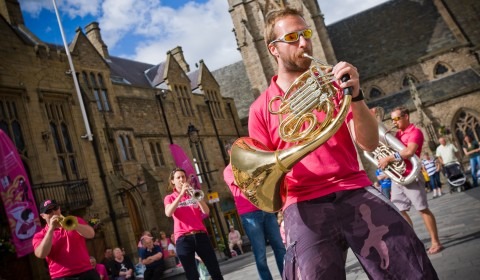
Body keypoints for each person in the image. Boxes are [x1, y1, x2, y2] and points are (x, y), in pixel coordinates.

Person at [248, 7, 438, 279]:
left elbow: (369, 142)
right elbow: (262, 174)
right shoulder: (260, 108)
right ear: (273, 49)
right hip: (302, 202)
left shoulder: (333, 85)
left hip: (354, 188)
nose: (303, 43)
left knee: (410, 263)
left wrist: (357, 96)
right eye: (292, 38)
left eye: (306, 34)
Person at [378, 106, 443, 255]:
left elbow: (409, 151)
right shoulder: (397, 134)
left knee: (422, 209)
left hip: (412, 175)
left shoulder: (415, 132)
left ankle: (435, 241)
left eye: (396, 119)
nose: (394, 122)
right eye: (392, 119)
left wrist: (388, 158)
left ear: (406, 116)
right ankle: (412, 240)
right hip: (398, 177)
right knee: (399, 211)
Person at [224, 145, 286, 280]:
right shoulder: (228, 171)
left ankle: (287, 276)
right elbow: (243, 182)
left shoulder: (249, 165)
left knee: (279, 247)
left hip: (265, 209)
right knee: (260, 253)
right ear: (230, 152)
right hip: (249, 214)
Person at [164, 168, 223, 280]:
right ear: (172, 181)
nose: (181, 179)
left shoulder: (193, 193)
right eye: (178, 177)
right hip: (183, 238)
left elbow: (206, 211)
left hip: (200, 235)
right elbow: (168, 213)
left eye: (183, 176)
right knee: (192, 275)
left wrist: (195, 196)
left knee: (215, 270)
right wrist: (181, 194)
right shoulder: (169, 198)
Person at [32, 199, 100, 280]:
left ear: (59, 209)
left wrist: (75, 225)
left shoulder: (75, 220)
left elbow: (91, 234)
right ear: (43, 216)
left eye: (55, 208)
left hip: (86, 272)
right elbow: (41, 254)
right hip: (61, 276)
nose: (54, 212)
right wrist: (51, 229)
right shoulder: (40, 235)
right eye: (48, 211)